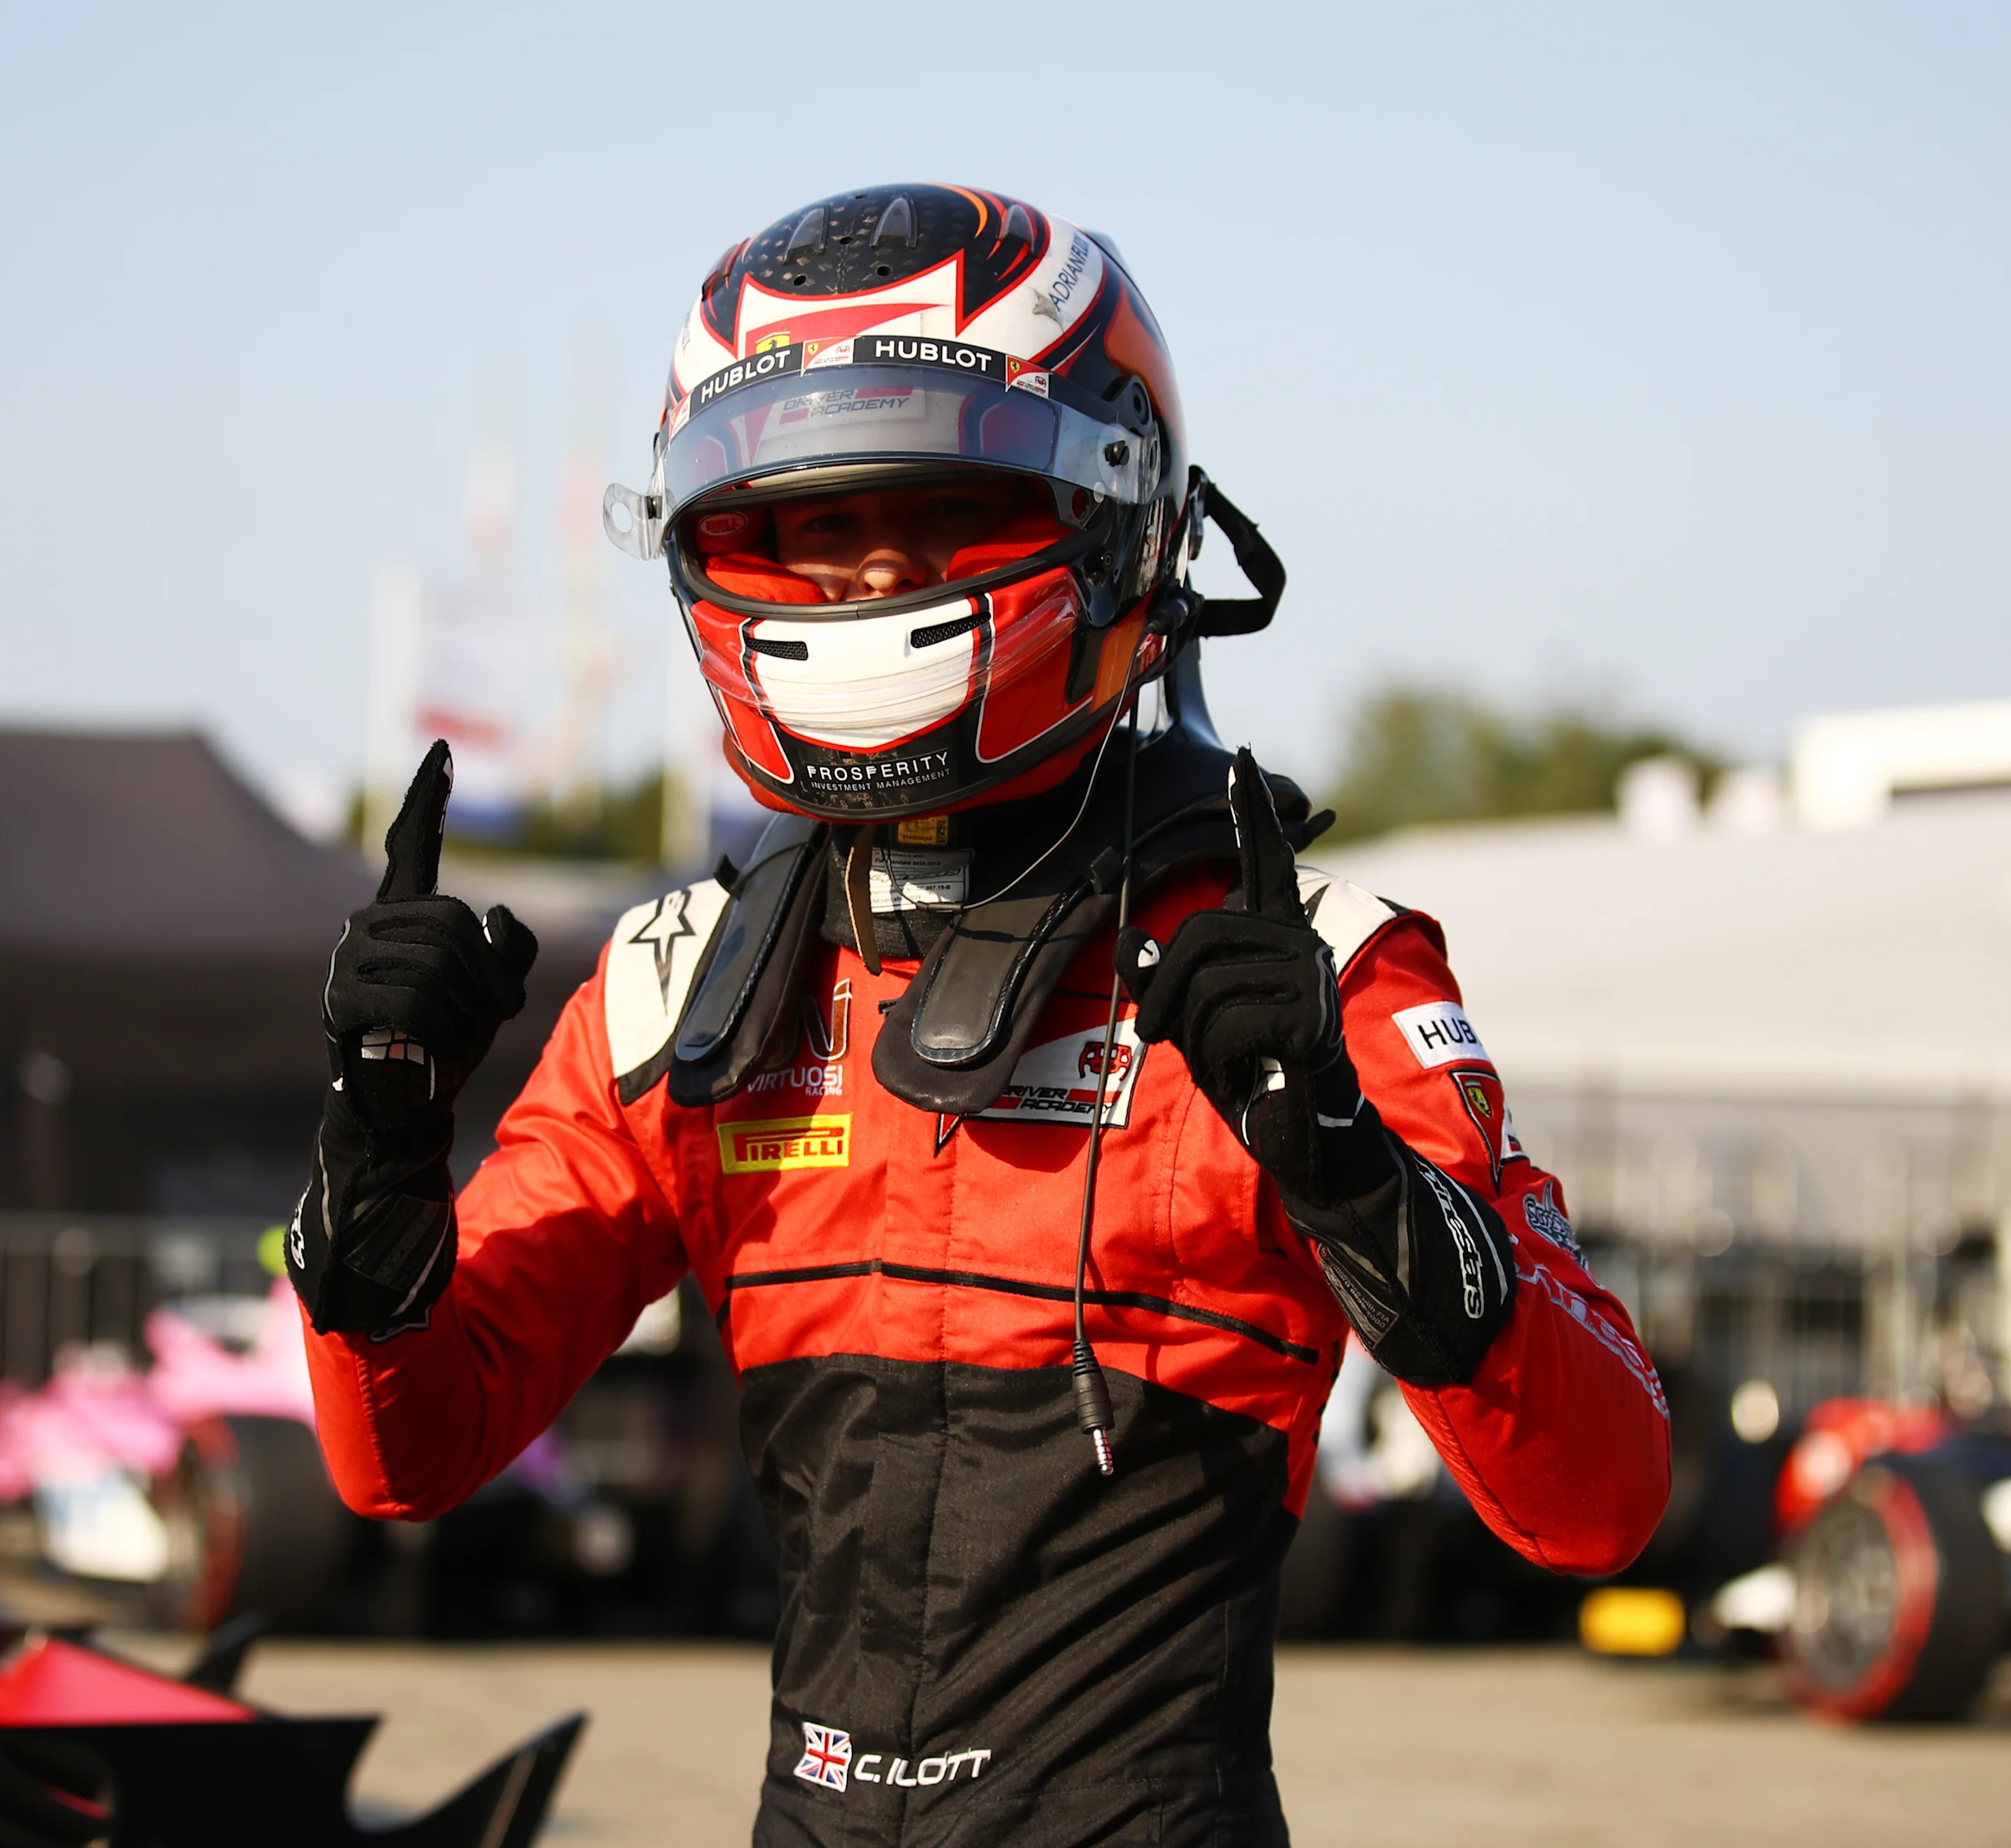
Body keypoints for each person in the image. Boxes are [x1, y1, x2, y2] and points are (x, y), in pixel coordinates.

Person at [288, 185, 1672, 1848]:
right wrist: (374, 1170)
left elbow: (1601, 1503)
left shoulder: (1307, 968)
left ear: (1111, 517)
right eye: (807, 523)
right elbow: (409, 1458)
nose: (867, 570)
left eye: (934, 508)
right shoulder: (683, 990)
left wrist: (1357, 1181)